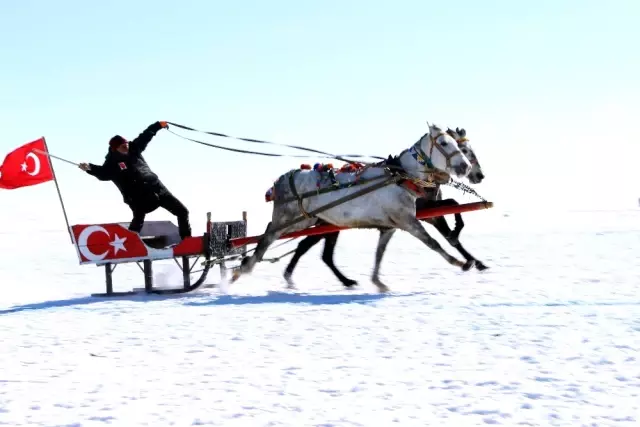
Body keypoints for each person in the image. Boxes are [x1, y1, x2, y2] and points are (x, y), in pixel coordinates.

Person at [79, 120, 192, 240]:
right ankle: (130, 243)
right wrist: (89, 168)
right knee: (139, 217)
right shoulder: (112, 163)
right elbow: (103, 174)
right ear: (115, 149)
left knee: (183, 211)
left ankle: (186, 240)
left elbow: (145, 136)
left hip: (156, 188)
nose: (126, 148)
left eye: (127, 144)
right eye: (123, 147)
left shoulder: (134, 148)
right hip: (137, 196)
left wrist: (158, 125)